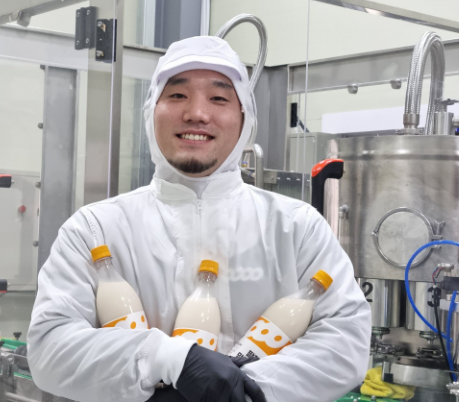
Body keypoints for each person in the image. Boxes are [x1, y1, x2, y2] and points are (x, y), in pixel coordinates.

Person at [27, 36, 371, 402]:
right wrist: (167, 359)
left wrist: (245, 389)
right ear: (151, 111)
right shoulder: (95, 229)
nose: (197, 113)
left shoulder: (297, 227)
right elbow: (50, 348)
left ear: (244, 118)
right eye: (177, 95)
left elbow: (344, 344)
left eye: (219, 98)